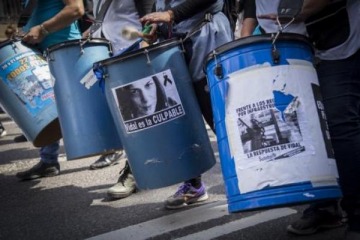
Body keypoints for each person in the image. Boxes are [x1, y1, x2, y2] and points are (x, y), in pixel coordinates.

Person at [254, 0, 360, 239]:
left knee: (339, 124)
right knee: (305, 125)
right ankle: (324, 205)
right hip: (286, 43)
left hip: (335, 38)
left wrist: (304, 9)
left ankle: (357, 215)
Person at [137, 0, 233, 209]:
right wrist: (155, 24)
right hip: (174, 45)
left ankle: (247, 175)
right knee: (180, 118)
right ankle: (193, 184)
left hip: (207, 39)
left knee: (219, 114)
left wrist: (170, 15)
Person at [82, 0, 154, 199]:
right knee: (122, 117)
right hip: (106, 52)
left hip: (130, 48)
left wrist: (145, 46)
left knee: (134, 116)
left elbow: (148, 10)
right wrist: (94, 31)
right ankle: (138, 167)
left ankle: (134, 173)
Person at [15, 0, 85, 181]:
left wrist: (43, 29)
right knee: (47, 108)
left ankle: (121, 154)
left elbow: (76, 9)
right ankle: (48, 161)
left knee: (83, 106)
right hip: (42, 52)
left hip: (63, 50)